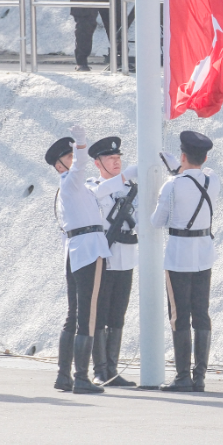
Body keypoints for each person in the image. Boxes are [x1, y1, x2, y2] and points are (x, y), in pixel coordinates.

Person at [149, 130, 220, 392]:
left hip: (179, 256)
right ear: (205, 156)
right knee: (201, 314)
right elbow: (206, 172)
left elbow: (157, 221)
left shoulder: (172, 185)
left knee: (180, 316)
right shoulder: (214, 181)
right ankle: (199, 377)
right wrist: (182, 169)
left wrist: (176, 173)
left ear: (182, 155)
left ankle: (182, 377)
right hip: (203, 254)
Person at [47, 126, 112, 394]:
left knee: (74, 314)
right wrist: (82, 143)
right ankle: (81, 377)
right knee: (87, 313)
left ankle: (64, 376)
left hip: (76, 249)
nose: (74, 160)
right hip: (88, 248)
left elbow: (109, 185)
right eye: (69, 157)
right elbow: (82, 165)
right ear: (59, 164)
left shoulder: (75, 187)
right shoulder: (71, 181)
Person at [86, 136, 138, 387]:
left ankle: (113, 370)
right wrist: (124, 177)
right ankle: (100, 369)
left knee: (118, 315)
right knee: (100, 314)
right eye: (110, 158)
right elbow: (98, 194)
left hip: (125, 259)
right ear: (98, 163)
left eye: (119, 158)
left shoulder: (130, 189)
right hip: (102, 260)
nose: (117, 162)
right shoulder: (92, 186)